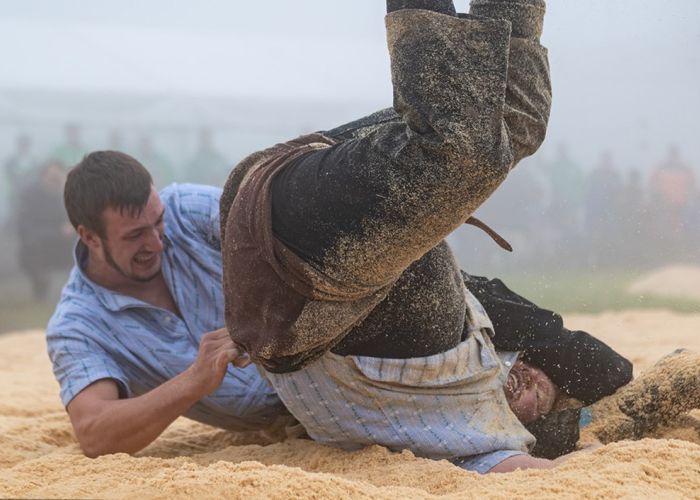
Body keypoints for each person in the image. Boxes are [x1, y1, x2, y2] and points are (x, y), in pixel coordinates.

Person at [47, 150, 631, 471]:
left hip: (350, 314)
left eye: (156, 222)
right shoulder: (79, 326)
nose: (157, 239)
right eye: (135, 237)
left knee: (574, 353)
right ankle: (575, 431)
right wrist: (194, 381)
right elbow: (95, 433)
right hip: (316, 401)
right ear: (88, 236)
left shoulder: (180, 211)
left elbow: (268, 222)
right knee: (475, 440)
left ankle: (616, 392)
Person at [217, 0, 608, 473]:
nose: (527, 386)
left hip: (297, 279)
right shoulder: (482, 327)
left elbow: (555, 475)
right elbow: (570, 347)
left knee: (463, 151)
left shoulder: (476, 434)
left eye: (538, 407)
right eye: (542, 383)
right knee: (515, 124)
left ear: (525, 432)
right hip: (308, 194)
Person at [16, 160, 74, 300]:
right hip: (36, 247)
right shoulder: (30, 196)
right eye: (52, 177)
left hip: (63, 246)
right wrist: (59, 231)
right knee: (34, 247)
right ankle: (41, 287)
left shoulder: (69, 195)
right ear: (43, 177)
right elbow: (26, 228)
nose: (55, 181)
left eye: (58, 177)